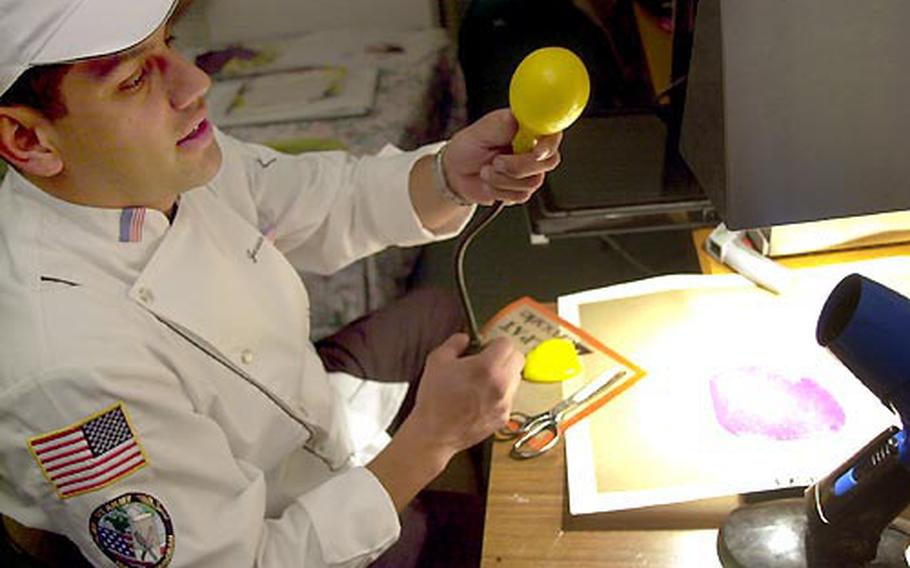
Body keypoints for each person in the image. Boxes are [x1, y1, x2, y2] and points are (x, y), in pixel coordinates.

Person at [0, 1, 565, 566]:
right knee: (538, 545)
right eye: (133, 79)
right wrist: (431, 441)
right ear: (29, 141)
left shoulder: (159, 164)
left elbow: (328, 198)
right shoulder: (68, 375)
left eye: (167, 43)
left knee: (436, 311)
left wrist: (449, 176)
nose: (195, 82)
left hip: (305, 421)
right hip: (284, 532)